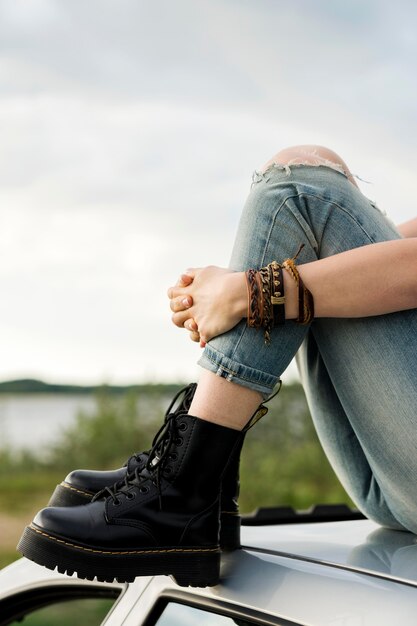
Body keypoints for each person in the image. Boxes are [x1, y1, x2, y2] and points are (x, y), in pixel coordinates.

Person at [17, 145, 417, 588]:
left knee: (298, 187)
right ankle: (202, 483)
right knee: (309, 200)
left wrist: (241, 294)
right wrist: (236, 287)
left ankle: (187, 488)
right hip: (395, 483)